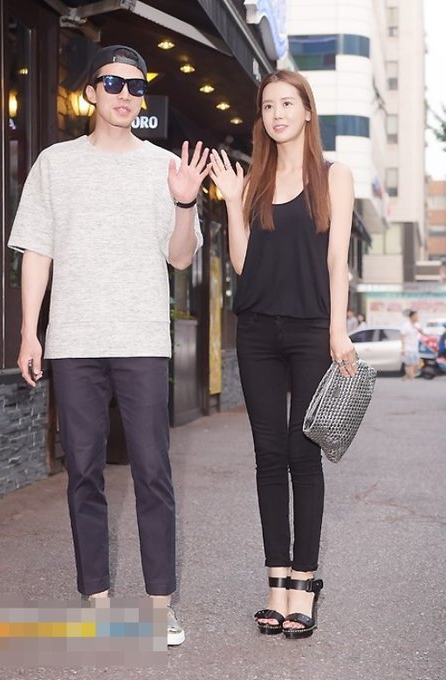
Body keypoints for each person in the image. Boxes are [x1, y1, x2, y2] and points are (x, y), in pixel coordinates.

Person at [8, 45, 210, 646]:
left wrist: (184, 201)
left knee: (153, 472)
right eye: (113, 83)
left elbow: (180, 258)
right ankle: (96, 598)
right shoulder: (54, 164)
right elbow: (38, 251)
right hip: (74, 341)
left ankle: (158, 607)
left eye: (136, 86)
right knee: (84, 472)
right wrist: (29, 331)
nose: (126, 94)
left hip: (141, 338)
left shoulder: (164, 166)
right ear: (91, 92)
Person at [209, 69, 357, 639]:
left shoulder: (333, 175)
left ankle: (304, 582)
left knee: (303, 453)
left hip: (311, 330)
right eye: (268, 106)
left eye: (288, 104)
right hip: (257, 331)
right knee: (268, 455)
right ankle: (275, 585)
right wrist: (231, 202)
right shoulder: (256, 180)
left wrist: (338, 330)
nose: (277, 114)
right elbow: (244, 265)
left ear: (307, 112)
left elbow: (337, 259)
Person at [400, 310, 420, 380]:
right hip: (408, 348)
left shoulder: (417, 325)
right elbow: (402, 337)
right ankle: (411, 378)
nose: (417, 317)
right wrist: (403, 348)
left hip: (415, 348)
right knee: (411, 364)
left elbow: (421, 332)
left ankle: (407, 376)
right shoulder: (406, 326)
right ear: (411, 317)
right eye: (416, 316)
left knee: (417, 364)